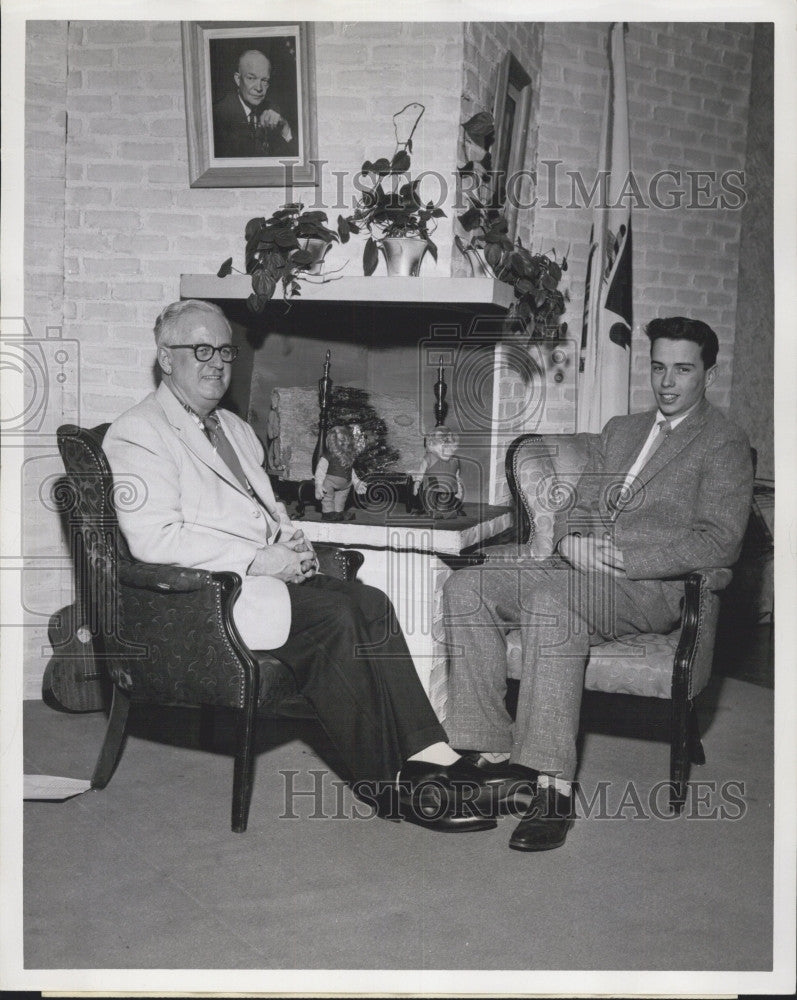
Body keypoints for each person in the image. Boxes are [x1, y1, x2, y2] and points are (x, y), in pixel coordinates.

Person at [103, 299, 506, 833]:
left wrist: (291, 541)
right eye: (200, 349)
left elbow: (263, 511)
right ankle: (392, 787)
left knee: (368, 601)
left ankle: (429, 752)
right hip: (206, 601)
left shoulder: (234, 430)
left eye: (225, 350)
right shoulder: (137, 432)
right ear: (165, 356)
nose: (217, 363)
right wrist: (257, 559)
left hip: (258, 583)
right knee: (333, 620)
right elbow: (154, 539)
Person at [442, 317, 754, 852]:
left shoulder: (724, 443)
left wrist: (627, 556)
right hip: (576, 567)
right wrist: (570, 541)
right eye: (659, 367)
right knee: (466, 587)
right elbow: (578, 506)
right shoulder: (622, 430)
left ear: (709, 371)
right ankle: (490, 752)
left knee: (550, 605)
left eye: (683, 369)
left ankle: (552, 785)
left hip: (648, 585)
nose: (668, 382)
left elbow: (719, 541)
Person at [212, 49, 298, 159]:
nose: (259, 88)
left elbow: (294, 161)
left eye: (264, 80)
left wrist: (285, 128)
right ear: (238, 79)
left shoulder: (273, 110)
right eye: (251, 78)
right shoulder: (218, 114)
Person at [314, 425, 366, 521]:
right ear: (332, 441)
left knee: (341, 499)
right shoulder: (328, 455)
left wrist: (357, 483)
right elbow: (320, 470)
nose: (342, 443)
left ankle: (338, 513)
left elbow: (351, 471)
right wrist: (318, 485)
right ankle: (328, 513)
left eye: (343, 440)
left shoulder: (349, 456)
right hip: (330, 483)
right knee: (327, 497)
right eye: (339, 440)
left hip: (346, 485)